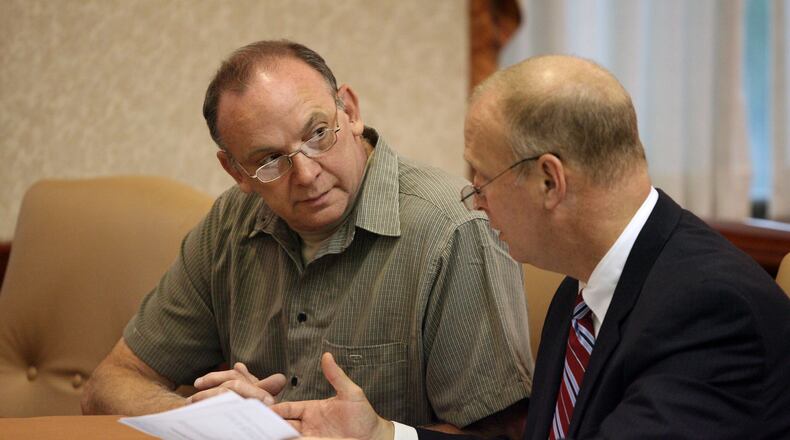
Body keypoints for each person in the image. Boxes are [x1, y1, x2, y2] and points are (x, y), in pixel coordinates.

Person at [272, 55, 790, 439]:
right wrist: (383, 435)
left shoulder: (714, 310)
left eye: (482, 179)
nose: (475, 202)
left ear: (549, 181)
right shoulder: (582, 291)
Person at [80, 39, 533, 436]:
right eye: (270, 160)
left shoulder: (452, 229)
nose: (307, 174)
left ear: (349, 112)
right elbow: (111, 383)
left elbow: (503, 435)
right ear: (236, 171)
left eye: (317, 134)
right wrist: (208, 420)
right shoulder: (230, 224)